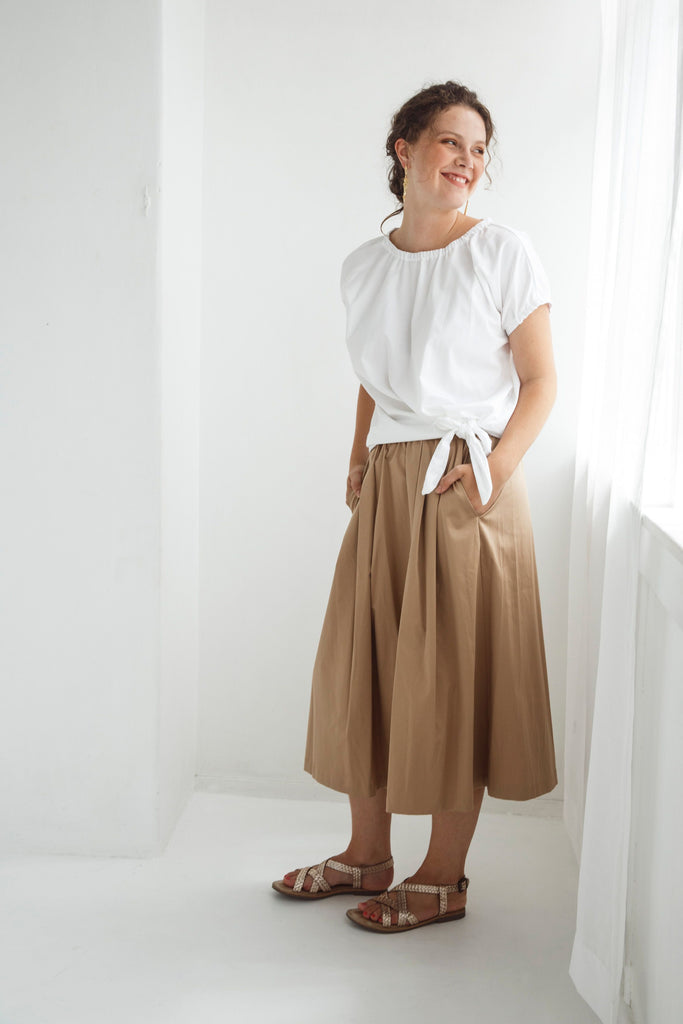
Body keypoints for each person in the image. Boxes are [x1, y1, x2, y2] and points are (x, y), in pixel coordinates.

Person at [272, 81, 558, 933]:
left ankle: (442, 877)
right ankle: (366, 856)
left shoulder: (501, 252)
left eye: (478, 150)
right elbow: (372, 372)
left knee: (447, 679)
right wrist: (357, 452)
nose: (467, 162)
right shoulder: (364, 263)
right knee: (369, 664)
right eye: (449, 143)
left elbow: (542, 382)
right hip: (389, 482)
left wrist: (494, 472)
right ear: (403, 149)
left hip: (464, 481)